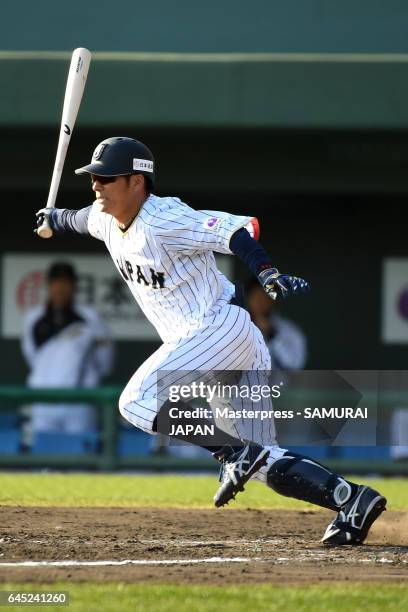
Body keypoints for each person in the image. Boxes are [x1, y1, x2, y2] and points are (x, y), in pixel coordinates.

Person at [35, 136, 386, 545]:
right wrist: (53, 217)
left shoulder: (164, 218)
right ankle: (352, 500)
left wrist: (267, 272)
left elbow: (235, 232)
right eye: (94, 177)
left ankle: (231, 452)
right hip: (232, 342)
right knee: (263, 460)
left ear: (137, 182)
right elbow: (78, 218)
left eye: (107, 178)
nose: (97, 185)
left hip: (218, 327)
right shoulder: (103, 216)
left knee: (134, 402)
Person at [22, 262, 114, 433]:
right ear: (49, 285)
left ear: (74, 285)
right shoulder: (34, 318)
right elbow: (31, 357)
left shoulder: (90, 317)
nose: (61, 287)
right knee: (44, 455)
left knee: (81, 456)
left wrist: (87, 380)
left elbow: (105, 361)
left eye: (66, 281)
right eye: (56, 281)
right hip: (43, 400)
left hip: (79, 401)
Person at [246, 277, 307, 370]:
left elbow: (295, 365)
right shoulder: (235, 326)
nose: (260, 302)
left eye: (265, 297)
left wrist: (271, 334)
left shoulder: (288, 329)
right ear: (248, 298)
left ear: (273, 300)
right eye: (256, 296)